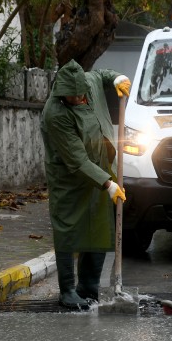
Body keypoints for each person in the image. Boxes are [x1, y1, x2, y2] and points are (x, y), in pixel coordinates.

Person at [40, 60, 130, 309]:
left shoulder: (88, 84)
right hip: (69, 175)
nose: (78, 99)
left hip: (100, 166)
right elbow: (77, 160)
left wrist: (117, 77)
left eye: (81, 95)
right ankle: (67, 290)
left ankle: (89, 287)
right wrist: (108, 184)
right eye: (72, 97)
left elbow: (101, 74)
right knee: (68, 228)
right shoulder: (55, 113)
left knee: (97, 224)